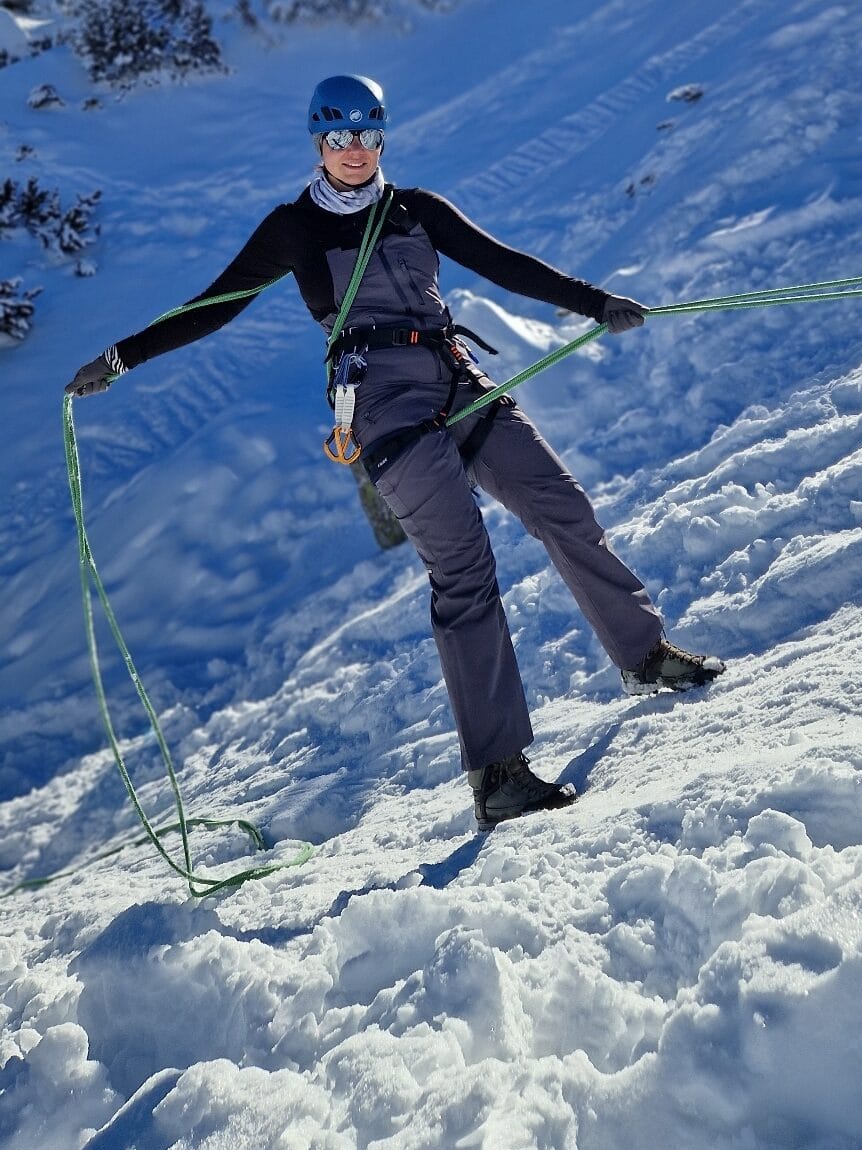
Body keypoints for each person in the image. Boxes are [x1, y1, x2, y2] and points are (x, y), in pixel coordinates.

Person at [67, 74, 725, 829]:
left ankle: (643, 655)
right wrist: (118, 360)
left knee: (561, 504)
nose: (355, 149)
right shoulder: (293, 229)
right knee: (463, 568)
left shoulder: (416, 209)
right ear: (319, 142)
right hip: (382, 403)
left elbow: (503, 263)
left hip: (455, 375)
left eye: (368, 134)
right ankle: (498, 775)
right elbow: (212, 308)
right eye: (340, 135)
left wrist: (593, 302)